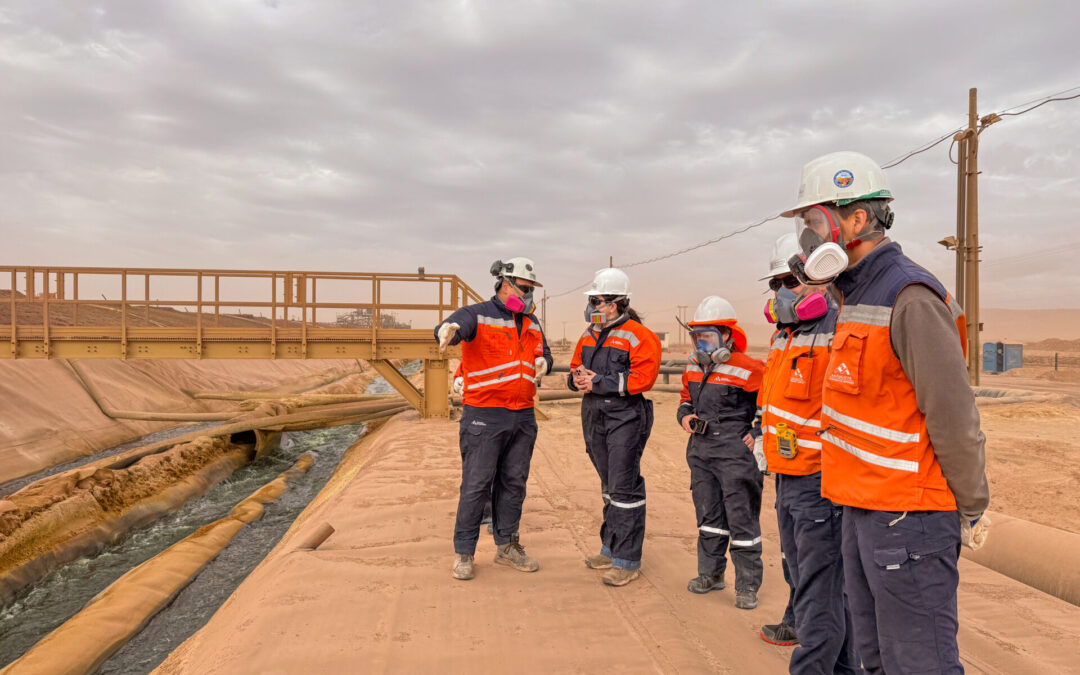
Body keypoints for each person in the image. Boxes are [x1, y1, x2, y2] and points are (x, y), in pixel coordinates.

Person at [783, 151, 990, 673]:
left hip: (910, 517)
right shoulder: (855, 294)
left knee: (918, 663)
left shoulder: (910, 295)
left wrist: (971, 506)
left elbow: (952, 414)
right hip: (862, 507)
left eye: (813, 222)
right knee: (873, 658)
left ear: (855, 219)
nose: (808, 237)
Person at [757, 232, 859, 672]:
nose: (782, 293)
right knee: (805, 579)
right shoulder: (786, 335)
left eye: (790, 282)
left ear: (819, 278)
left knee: (821, 593)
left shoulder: (838, 330)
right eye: (776, 284)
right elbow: (774, 398)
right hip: (787, 474)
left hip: (821, 483)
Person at [435, 257, 553, 581]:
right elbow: (455, 327)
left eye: (531, 290)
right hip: (485, 415)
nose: (529, 296)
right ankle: (464, 552)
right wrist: (447, 331)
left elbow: (545, 354)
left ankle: (507, 546)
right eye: (525, 289)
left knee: (513, 484)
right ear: (505, 283)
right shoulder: (478, 314)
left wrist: (545, 364)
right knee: (476, 485)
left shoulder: (531, 322)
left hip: (522, 416)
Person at [569, 268, 662, 587]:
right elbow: (574, 367)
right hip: (594, 414)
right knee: (609, 486)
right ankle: (610, 549)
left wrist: (600, 382)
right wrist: (576, 379)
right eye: (591, 300)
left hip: (626, 416)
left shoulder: (639, 335)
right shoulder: (588, 333)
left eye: (598, 300)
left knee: (624, 487)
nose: (593, 306)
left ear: (618, 302)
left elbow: (642, 379)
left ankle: (627, 560)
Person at [676, 296, 765, 610]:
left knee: (741, 520)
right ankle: (710, 575)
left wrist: (757, 432)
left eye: (708, 336)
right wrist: (684, 415)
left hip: (735, 454)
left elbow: (768, 406)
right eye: (697, 336)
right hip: (701, 452)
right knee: (709, 518)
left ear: (727, 336)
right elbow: (686, 400)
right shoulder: (693, 366)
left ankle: (747, 586)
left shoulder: (750, 368)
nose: (701, 342)